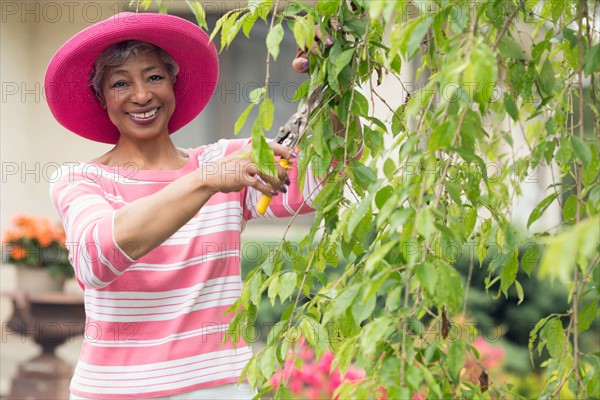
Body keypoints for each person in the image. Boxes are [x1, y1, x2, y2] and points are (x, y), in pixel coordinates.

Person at [45, 11, 333, 400]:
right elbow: (97, 258)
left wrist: (331, 76)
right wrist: (205, 180)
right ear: (101, 97)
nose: (142, 95)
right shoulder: (80, 179)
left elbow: (323, 181)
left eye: (154, 77)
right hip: (114, 392)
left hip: (220, 388)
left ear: (173, 83)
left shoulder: (226, 161)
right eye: (119, 83)